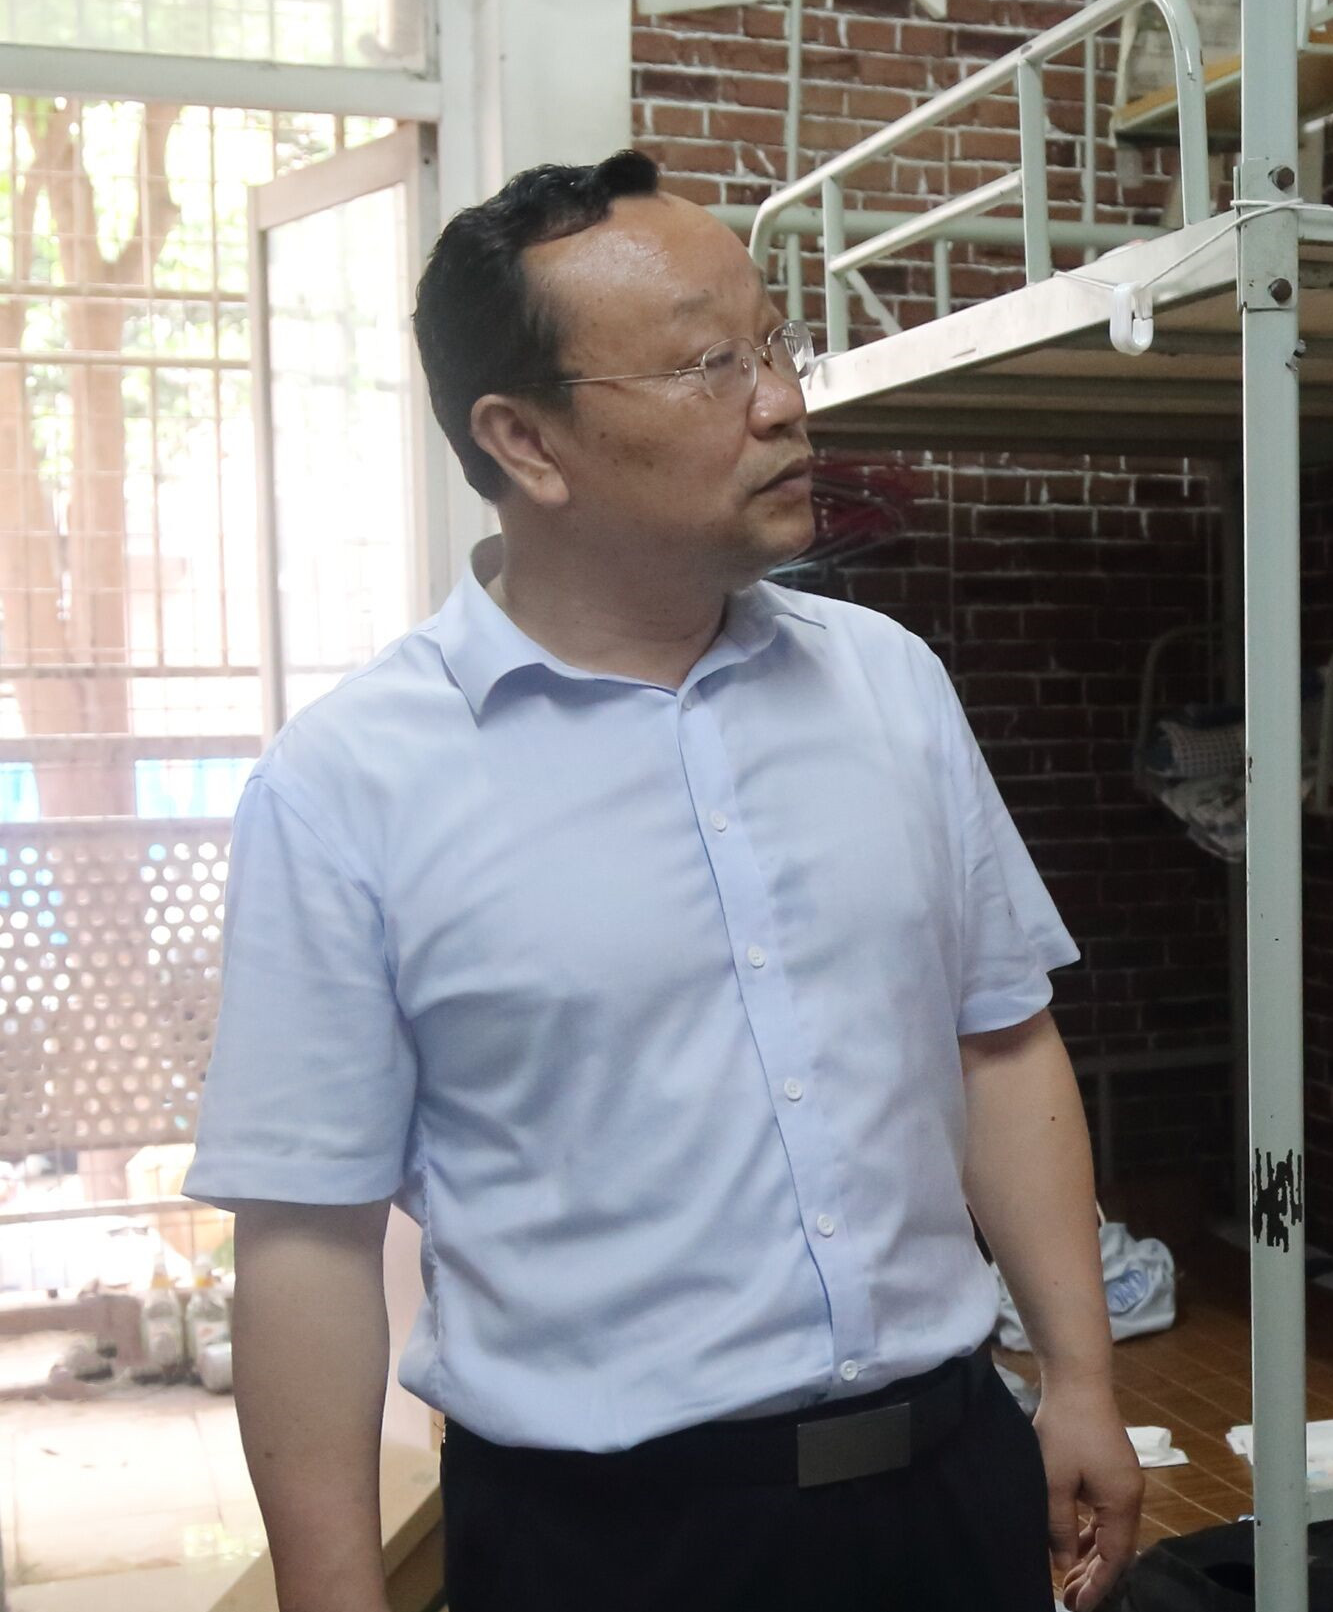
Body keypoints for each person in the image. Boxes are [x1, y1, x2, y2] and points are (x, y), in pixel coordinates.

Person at [183, 150, 1142, 1612]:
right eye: (709, 366)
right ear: (525, 440)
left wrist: (1079, 1375)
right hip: (605, 1546)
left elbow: (999, 1040)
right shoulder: (349, 783)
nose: (783, 400)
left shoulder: (890, 686)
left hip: (947, 1490)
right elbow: (308, 1238)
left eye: (775, 342)